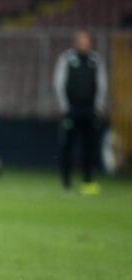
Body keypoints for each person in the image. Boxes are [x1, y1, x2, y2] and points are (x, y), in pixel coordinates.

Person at [53, 30, 108, 195]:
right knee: (67, 146)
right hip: (71, 109)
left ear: (90, 42)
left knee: (89, 147)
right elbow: (59, 82)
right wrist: (63, 105)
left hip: (90, 109)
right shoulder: (66, 59)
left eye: (86, 41)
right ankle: (66, 180)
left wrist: (99, 105)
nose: (83, 44)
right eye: (80, 41)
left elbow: (102, 83)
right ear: (75, 42)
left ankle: (88, 180)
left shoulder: (96, 60)